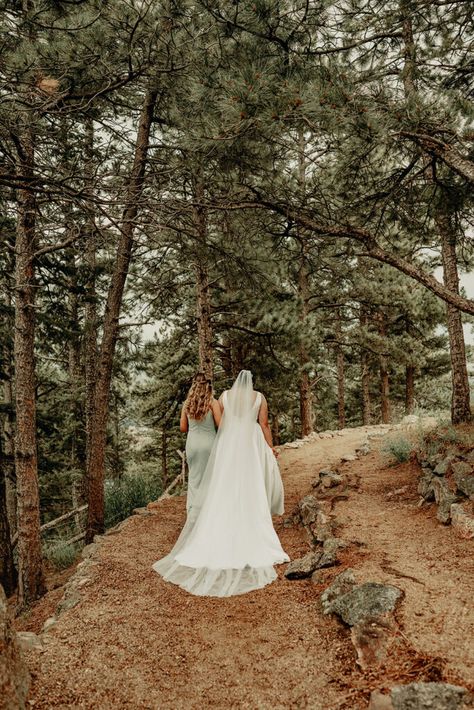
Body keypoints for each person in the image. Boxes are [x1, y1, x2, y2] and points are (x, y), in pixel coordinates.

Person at [153, 370, 289, 597]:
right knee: (250, 486)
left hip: (227, 446)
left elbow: (222, 426)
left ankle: (214, 521)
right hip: (250, 446)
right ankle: (249, 521)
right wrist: (269, 447)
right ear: (251, 383)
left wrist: (227, 444)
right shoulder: (259, 398)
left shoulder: (224, 397)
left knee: (224, 487)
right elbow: (263, 424)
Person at [180, 373, 221, 513]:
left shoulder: (187, 403)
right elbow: (221, 424)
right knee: (209, 477)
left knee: (193, 477)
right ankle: (208, 511)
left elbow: (183, 428)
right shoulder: (212, 402)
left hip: (192, 443)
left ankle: (193, 510)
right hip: (208, 443)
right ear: (209, 386)